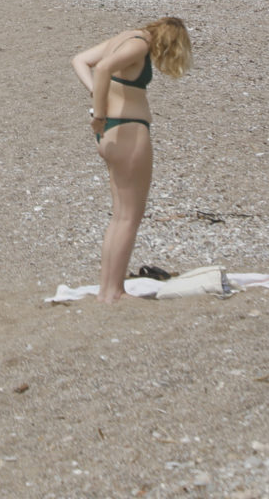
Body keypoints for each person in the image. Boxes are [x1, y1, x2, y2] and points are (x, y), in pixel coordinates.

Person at [71, 18, 194, 304]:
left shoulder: (127, 36)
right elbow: (102, 68)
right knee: (128, 218)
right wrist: (98, 114)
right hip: (128, 132)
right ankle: (114, 292)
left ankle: (107, 290)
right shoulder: (141, 45)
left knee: (119, 217)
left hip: (113, 134)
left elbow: (80, 60)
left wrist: (95, 94)